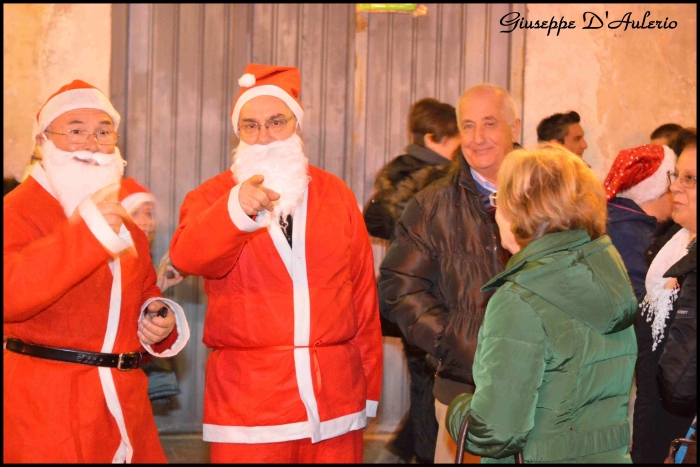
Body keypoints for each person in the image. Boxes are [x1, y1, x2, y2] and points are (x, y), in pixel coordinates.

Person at [169, 63, 383, 464]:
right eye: (250, 126)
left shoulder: (336, 194)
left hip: (334, 401)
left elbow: (363, 299)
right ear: (238, 134)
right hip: (250, 404)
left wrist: (368, 391)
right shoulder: (211, 197)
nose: (264, 136)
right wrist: (233, 213)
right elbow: (187, 256)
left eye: (276, 122)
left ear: (296, 125)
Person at [3, 79, 190, 463]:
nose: (92, 143)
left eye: (103, 131)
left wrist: (157, 319)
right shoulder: (15, 210)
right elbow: (10, 296)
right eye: (75, 131)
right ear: (42, 142)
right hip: (46, 408)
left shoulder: (120, 217)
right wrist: (86, 238)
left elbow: (144, 291)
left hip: (125, 405)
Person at [445, 144, 637, 463]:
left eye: (499, 200)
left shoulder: (519, 299)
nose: (496, 212)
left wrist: (458, 410)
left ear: (524, 211)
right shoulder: (608, 277)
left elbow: (497, 431)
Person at [378, 83, 517, 463]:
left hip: (537, 388)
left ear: (514, 128)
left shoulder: (545, 194)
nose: (478, 138)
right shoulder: (430, 204)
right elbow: (399, 289)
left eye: (490, 123)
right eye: (468, 126)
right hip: (460, 391)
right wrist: (455, 341)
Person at [364, 97, 459, 464]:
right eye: (455, 139)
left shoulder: (399, 172)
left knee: (426, 385)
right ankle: (419, 455)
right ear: (434, 138)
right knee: (427, 388)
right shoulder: (425, 178)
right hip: (424, 296)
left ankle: (402, 453)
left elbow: (372, 220)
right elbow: (374, 220)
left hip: (414, 295)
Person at [632, 129, 696, 463]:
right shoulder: (673, 243)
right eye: (676, 175)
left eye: (691, 179)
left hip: (682, 430)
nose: (675, 186)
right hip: (654, 419)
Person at [119, 178, 184, 405]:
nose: (146, 222)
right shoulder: (112, 258)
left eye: (149, 213)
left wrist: (158, 286)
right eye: (136, 213)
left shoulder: (140, 257)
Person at [604, 144, 677, 302]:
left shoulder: (626, 221)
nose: (678, 191)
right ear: (659, 189)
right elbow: (643, 303)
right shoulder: (629, 234)